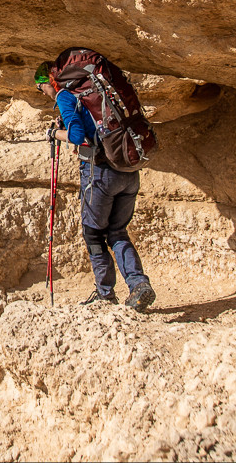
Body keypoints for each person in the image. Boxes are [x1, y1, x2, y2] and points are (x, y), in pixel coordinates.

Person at [35, 60, 156, 312]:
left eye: (41, 88)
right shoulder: (93, 93)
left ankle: (105, 294)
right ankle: (138, 285)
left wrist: (54, 134)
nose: (43, 93)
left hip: (99, 173)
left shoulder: (66, 96)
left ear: (49, 81)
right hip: (128, 170)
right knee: (118, 232)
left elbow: (79, 136)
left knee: (93, 234)